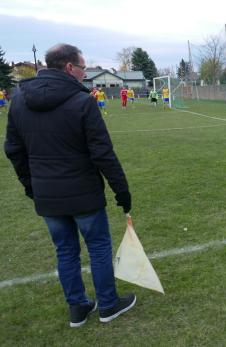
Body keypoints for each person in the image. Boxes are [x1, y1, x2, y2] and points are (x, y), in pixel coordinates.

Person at [4, 43, 136, 328]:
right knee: (98, 247)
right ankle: (107, 305)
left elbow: (13, 151)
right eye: (83, 67)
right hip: (83, 194)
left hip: (49, 196)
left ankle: (78, 308)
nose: (85, 72)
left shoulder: (20, 100)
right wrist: (121, 189)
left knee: (66, 251)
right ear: (68, 68)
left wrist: (32, 185)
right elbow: (103, 153)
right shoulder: (83, 101)